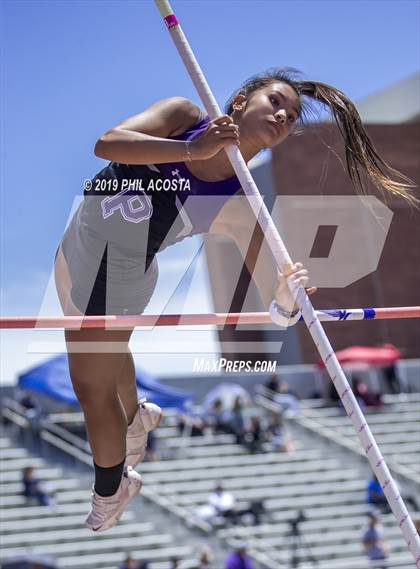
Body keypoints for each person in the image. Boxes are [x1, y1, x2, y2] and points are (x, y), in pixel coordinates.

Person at [54, 67, 414, 532]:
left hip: (118, 270)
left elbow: (280, 311)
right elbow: (106, 144)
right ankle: (137, 418)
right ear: (241, 101)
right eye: (276, 101)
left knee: (90, 386)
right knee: (103, 360)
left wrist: (286, 296)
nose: (284, 114)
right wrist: (191, 149)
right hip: (77, 241)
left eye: (292, 114)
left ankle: (112, 487)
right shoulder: (183, 116)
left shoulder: (238, 203)